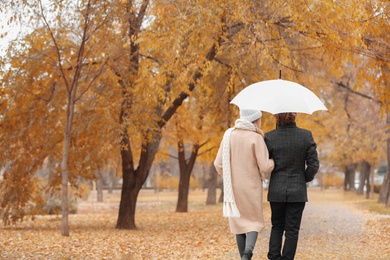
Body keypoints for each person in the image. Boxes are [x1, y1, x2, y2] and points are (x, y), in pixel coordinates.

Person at [214, 109, 275, 260]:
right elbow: (266, 166)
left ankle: (244, 257)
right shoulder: (256, 137)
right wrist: (274, 161)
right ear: (256, 119)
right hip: (251, 187)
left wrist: (229, 175)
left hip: (232, 188)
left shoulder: (228, 136)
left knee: (239, 224)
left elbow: (218, 164)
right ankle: (248, 251)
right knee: (253, 221)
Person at [265, 112, 319, 260]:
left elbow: (265, 163)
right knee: (292, 230)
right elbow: (314, 165)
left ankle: (274, 257)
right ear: (294, 116)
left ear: (276, 117)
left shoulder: (270, 137)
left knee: (277, 226)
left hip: (276, 189)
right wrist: (303, 178)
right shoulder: (306, 135)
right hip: (297, 191)